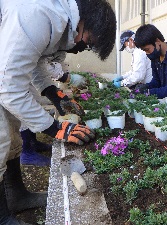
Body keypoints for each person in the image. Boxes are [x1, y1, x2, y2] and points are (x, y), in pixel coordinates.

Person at [0, 0, 116, 224]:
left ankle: (17, 196)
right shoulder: (40, 15)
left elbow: (34, 62)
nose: (83, 48)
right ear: (83, 22)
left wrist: (52, 92)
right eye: (89, 42)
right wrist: (55, 128)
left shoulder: (57, 23)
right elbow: (9, 88)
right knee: (0, 136)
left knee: (12, 130)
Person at [20, 52, 86, 167]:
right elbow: (43, 65)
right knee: (22, 108)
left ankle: (32, 143)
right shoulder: (40, 39)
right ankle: (25, 152)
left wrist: (57, 95)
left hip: (25, 71)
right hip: (11, 75)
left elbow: (45, 67)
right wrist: (65, 77)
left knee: (33, 100)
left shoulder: (58, 42)